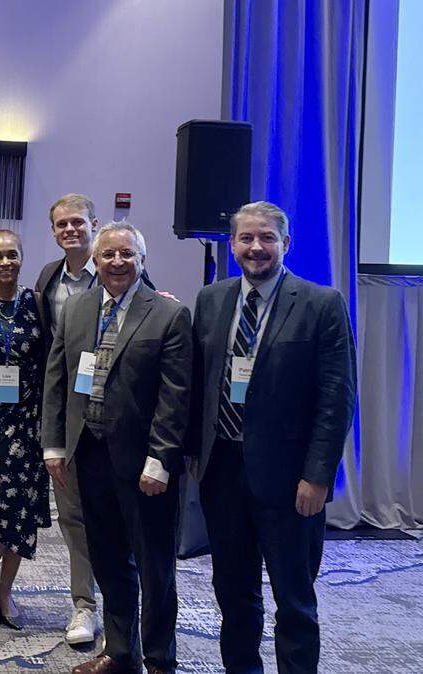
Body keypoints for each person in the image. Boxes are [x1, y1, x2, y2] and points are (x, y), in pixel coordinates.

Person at [188, 201, 356, 674]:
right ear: (232, 245)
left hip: (291, 482)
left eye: (266, 238)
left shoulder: (321, 304)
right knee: (234, 595)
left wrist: (318, 476)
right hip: (222, 473)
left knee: (295, 600)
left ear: (286, 243)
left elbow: (336, 398)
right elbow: (200, 383)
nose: (256, 247)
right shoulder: (212, 300)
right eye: (246, 238)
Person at [41, 221, 191, 674]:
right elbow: (58, 380)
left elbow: (176, 395)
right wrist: (54, 445)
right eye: (108, 255)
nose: (117, 262)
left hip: (146, 464)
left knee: (155, 567)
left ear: (142, 261)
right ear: (96, 260)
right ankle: (121, 652)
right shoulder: (78, 308)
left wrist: (161, 459)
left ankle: (161, 660)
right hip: (90, 455)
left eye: (127, 254)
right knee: (108, 559)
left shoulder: (168, 313)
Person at [35, 193, 152, 645]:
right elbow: (54, 362)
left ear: (94, 224)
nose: (70, 230)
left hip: (119, 427)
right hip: (73, 418)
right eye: (61, 224)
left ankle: (124, 610)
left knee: (120, 525)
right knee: (75, 518)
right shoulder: (49, 278)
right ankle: (83, 604)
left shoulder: (126, 272)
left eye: (78, 223)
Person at [0, 229, 51, 630]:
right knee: (5, 500)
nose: (6, 263)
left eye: (12, 255)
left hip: (32, 417)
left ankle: (6, 588)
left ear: (22, 258)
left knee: (26, 504)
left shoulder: (37, 301)